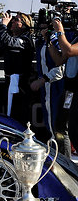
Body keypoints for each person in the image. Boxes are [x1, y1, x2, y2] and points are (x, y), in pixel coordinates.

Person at [0, 11, 35, 126]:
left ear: (25, 25)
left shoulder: (26, 39)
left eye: (16, 20)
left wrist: (3, 26)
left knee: (17, 116)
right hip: (9, 82)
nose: (12, 21)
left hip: (21, 85)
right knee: (8, 115)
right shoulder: (11, 38)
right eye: (12, 19)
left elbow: (8, 42)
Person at [30, 25, 70, 157]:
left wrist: (43, 80)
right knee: (51, 128)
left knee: (58, 129)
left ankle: (66, 164)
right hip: (46, 89)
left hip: (57, 88)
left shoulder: (58, 38)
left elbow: (62, 66)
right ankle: (58, 160)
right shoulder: (41, 40)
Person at [47, 18, 78, 154]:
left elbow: (70, 50)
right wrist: (48, 40)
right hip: (70, 90)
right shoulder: (76, 36)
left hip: (77, 91)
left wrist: (60, 31)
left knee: (74, 130)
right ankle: (66, 162)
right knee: (61, 127)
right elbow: (60, 59)